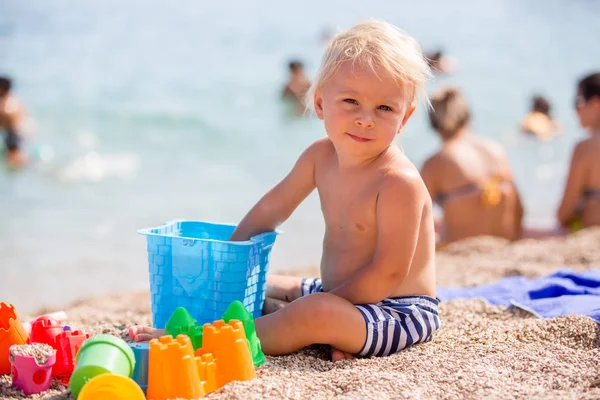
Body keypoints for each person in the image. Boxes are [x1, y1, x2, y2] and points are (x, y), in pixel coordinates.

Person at [130, 20, 440, 361]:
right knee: (259, 284)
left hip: (398, 311)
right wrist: (229, 262)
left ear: (405, 118)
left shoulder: (398, 182)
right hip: (340, 293)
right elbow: (270, 211)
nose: (366, 118)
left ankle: (203, 340)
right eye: (351, 101)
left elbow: (387, 274)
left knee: (314, 312)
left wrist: (322, 304)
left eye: (385, 108)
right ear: (320, 104)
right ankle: (305, 326)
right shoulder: (320, 157)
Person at [421, 87, 524, 245]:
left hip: (459, 251)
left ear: (433, 123)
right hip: (503, 245)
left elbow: (414, 217)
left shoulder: (436, 163)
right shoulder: (496, 150)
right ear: (467, 116)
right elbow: (519, 209)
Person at [557, 72, 600, 229]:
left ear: (595, 103)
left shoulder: (586, 147)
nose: (576, 109)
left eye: (577, 102)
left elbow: (564, 212)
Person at [0, 76, 27, 168]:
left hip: (12, 136)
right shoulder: (15, 100)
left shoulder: (4, 109)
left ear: (2, 88)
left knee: (14, 163)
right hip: (20, 133)